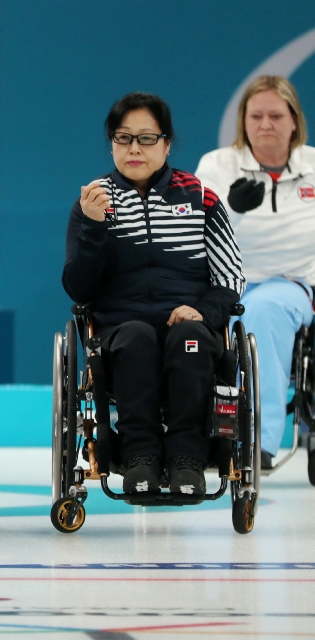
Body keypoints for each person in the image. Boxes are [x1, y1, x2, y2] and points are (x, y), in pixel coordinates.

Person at [63, 92, 245, 496]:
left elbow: (230, 279)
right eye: (123, 138)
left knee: (190, 338)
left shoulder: (202, 198)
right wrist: (94, 228)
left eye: (146, 139)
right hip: (120, 329)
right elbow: (79, 289)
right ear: (112, 143)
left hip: (191, 324)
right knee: (136, 337)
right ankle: (140, 456)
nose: (133, 149)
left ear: (166, 143)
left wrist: (203, 313)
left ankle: (188, 458)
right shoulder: (93, 202)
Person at [195, 76, 315, 469]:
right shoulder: (218, 165)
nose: (266, 124)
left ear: (294, 121)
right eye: (257, 115)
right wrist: (234, 208)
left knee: (263, 311)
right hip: (225, 282)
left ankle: (255, 442)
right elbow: (195, 229)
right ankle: (185, 438)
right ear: (243, 122)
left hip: (291, 283)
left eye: (276, 115)